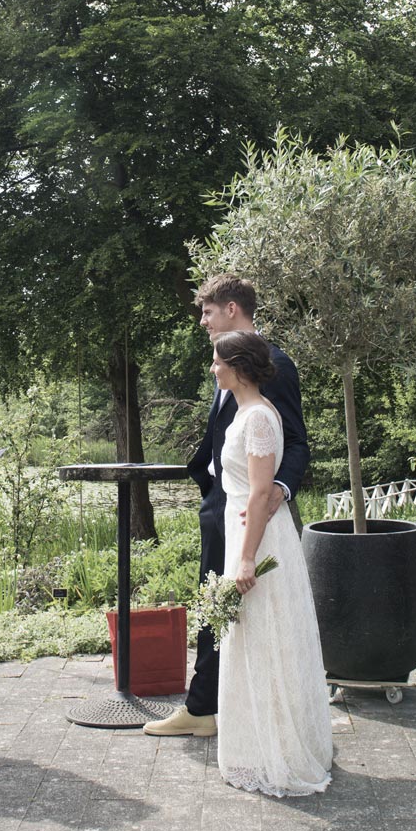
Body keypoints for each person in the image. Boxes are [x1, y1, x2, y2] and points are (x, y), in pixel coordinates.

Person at [146, 274, 309, 739]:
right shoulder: (229, 359)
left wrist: (279, 488)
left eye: (207, 312)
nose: (202, 322)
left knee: (227, 606)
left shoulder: (271, 363)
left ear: (232, 309)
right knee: (215, 604)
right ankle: (216, 704)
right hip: (223, 501)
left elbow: (295, 440)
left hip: (247, 508)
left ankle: (206, 709)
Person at [208, 330, 332, 795]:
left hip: (258, 540)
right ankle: (259, 745)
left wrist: (244, 560)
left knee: (269, 640)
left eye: (218, 362)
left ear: (238, 367)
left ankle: (277, 751)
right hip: (247, 532)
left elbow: (262, 492)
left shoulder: (258, 417)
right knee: (256, 641)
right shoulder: (246, 412)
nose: (213, 369)